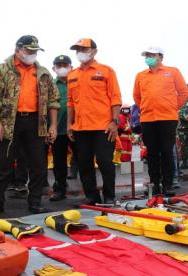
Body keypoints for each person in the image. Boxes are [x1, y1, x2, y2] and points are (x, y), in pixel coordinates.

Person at [0, 35, 59, 215]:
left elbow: (54, 101)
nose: (32, 54)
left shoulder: (43, 73)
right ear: (17, 49)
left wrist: (53, 125)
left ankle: (35, 202)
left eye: (35, 51)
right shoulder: (2, 69)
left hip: (36, 123)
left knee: (38, 165)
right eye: (28, 50)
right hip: (10, 123)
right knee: (2, 164)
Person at [67, 38, 122, 206]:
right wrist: (69, 124)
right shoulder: (73, 74)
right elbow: (70, 102)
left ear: (94, 51)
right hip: (81, 128)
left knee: (105, 163)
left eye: (84, 49)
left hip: (103, 127)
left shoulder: (106, 71)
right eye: (78, 49)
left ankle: (109, 196)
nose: (81, 52)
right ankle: (91, 196)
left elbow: (115, 97)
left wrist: (114, 122)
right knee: (84, 164)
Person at [133, 46, 188, 196]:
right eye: (147, 55)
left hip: (167, 118)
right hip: (148, 119)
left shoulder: (173, 72)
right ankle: (155, 184)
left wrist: (172, 107)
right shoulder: (140, 75)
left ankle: (168, 184)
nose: (148, 57)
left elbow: (183, 92)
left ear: (161, 57)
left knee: (167, 152)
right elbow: (136, 96)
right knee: (151, 153)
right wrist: (145, 108)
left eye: (152, 55)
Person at [49, 55, 73, 201]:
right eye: (59, 65)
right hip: (57, 129)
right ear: (54, 68)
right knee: (59, 162)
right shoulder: (50, 84)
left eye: (65, 65)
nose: (62, 68)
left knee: (83, 161)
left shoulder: (77, 81)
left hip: (77, 128)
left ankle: (90, 192)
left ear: (71, 66)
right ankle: (60, 189)